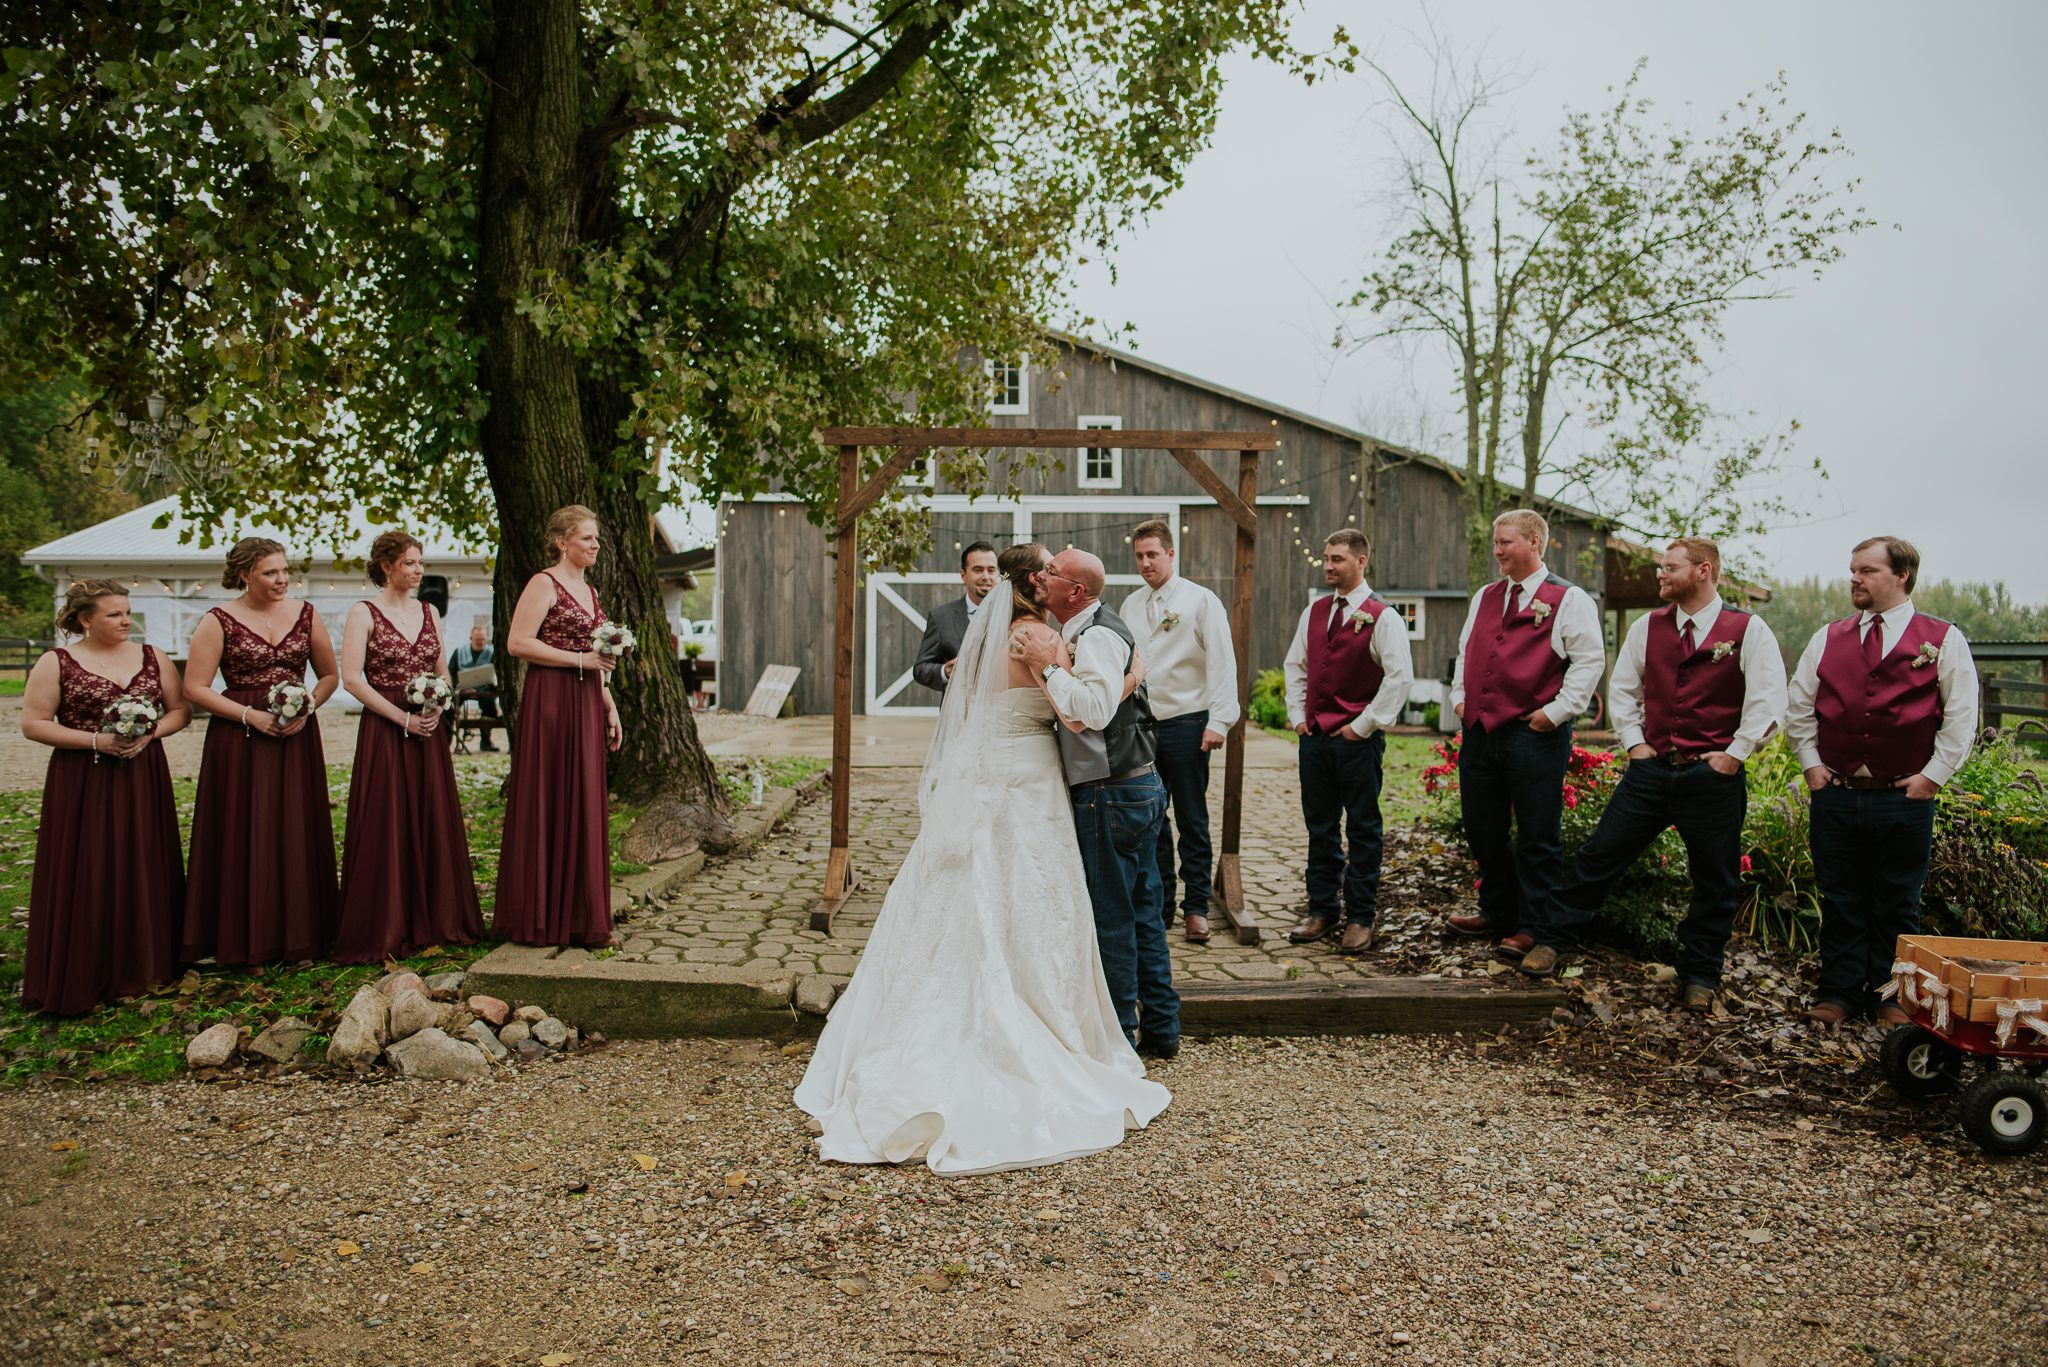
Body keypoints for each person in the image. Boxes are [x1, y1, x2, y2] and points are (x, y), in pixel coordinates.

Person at [794, 543, 1170, 1174]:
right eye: (1046, 569)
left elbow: (965, 715)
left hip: (980, 776)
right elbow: (1080, 722)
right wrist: (1128, 678)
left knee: (964, 894)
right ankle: (1061, 1024)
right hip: (1031, 783)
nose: (1051, 576)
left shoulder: (973, 645)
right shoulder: (1041, 642)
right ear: (1037, 586)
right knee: (1036, 894)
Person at [1513, 538, 1788, 1009]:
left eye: (1670, 568)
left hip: (1713, 778)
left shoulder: (1748, 628)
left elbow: (1768, 700)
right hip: (1652, 771)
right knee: (1599, 857)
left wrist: (1734, 755)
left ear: (1703, 571)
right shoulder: (1648, 626)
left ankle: (1699, 973)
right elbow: (1623, 690)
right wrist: (1636, 743)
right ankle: (1551, 940)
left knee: (1716, 879)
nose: (1660, 575)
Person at [1785, 535, 1978, 1026]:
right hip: (1838, 795)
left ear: (1902, 576)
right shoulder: (1827, 637)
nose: (1854, 578)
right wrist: (1811, 764)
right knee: (1840, 898)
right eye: (1853, 570)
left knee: (1897, 902)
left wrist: (1931, 780)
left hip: (1904, 798)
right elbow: (1799, 706)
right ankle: (1839, 994)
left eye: (1867, 570)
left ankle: (1893, 998)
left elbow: (1960, 718)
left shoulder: (1942, 639)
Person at [1016, 547, 1181, 1060]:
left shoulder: (1098, 635)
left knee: (1114, 918)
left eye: (1052, 573)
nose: (1041, 578)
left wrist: (1046, 668)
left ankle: (1122, 1043)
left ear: (1076, 591)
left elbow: (1092, 711)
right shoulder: (1086, 631)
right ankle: (1163, 1028)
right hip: (1132, 786)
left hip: (1112, 792)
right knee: (1144, 911)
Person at [18, 581, 191, 1013]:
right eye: (114, 614)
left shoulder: (152, 656)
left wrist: (150, 734)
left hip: (143, 774)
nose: (126, 620)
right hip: (83, 777)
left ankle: (146, 967)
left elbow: (181, 711)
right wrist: (96, 741)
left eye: (128, 612)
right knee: (88, 865)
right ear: (84, 619)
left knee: (142, 860)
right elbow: (34, 723)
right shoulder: (56, 661)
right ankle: (85, 967)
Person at [1444, 510, 1604, 952]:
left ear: (1535, 542)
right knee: (1482, 826)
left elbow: (1589, 662)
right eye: (1495, 543)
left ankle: (1534, 925)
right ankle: (1496, 910)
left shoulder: (1569, 599)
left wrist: (1553, 714)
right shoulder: (1486, 596)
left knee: (1538, 834)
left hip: (1534, 735)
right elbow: (1466, 651)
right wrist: (1460, 698)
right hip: (1479, 730)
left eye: (1505, 543)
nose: (1497, 551)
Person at [182, 538, 343, 966]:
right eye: (271, 572)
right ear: (244, 575)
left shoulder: (306, 614)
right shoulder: (217, 620)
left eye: (285, 570)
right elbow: (194, 688)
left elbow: (329, 675)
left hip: (296, 733)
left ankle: (301, 933)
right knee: (242, 827)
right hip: (239, 738)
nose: (282, 579)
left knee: (294, 826)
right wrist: (248, 716)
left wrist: (308, 705)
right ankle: (241, 934)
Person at [332, 531, 485, 964]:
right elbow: (352, 679)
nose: (419, 571)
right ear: (387, 566)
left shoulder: (429, 611)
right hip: (386, 730)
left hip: (429, 730)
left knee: (432, 815)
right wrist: (402, 718)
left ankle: (437, 917)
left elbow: (443, 670)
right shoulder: (363, 613)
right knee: (387, 819)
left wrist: (439, 703)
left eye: (421, 563)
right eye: (411, 563)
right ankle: (387, 922)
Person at [494, 505, 624, 948]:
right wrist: (581, 660)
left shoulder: (590, 592)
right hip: (550, 697)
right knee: (549, 795)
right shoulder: (543, 583)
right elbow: (518, 643)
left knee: (584, 796)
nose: (595, 545)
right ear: (561, 541)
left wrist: (608, 702)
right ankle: (540, 915)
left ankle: (581, 917)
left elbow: (598, 655)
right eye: (587, 538)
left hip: (587, 699)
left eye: (597, 539)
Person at [1281, 530, 1415, 951]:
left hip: (1357, 741)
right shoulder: (1315, 611)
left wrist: (1364, 725)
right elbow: (1295, 665)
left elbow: (1399, 678)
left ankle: (1360, 916)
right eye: (1325, 558)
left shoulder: (1383, 615)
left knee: (1362, 829)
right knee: (1319, 828)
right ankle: (1321, 910)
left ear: (1361, 561)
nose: (1327, 565)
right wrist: (1298, 717)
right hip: (1315, 739)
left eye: (1337, 559)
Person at [1121, 519, 1239, 943]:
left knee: (1191, 818)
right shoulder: (1131, 605)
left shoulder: (1200, 601)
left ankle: (1196, 908)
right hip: (1143, 726)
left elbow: (1222, 662)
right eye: (1139, 556)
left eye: (1153, 554)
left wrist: (1220, 720)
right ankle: (1160, 904)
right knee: (1151, 819)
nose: (1146, 563)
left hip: (1190, 723)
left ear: (1171, 554)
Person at [913, 541, 1000, 694]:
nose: (985, 576)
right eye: (978, 570)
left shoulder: (1013, 615)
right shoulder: (941, 617)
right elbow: (920, 669)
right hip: (956, 714)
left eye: (991, 570)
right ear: (963, 575)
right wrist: (944, 671)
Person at [449, 623, 501, 751]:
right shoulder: (459, 652)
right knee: (449, 708)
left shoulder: (491, 652)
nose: (481, 642)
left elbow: (496, 674)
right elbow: (451, 672)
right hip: (463, 689)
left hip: (484, 690)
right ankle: (448, 741)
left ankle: (486, 741)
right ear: (471, 638)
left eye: (483, 639)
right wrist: (461, 687)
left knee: (490, 707)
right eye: (478, 639)